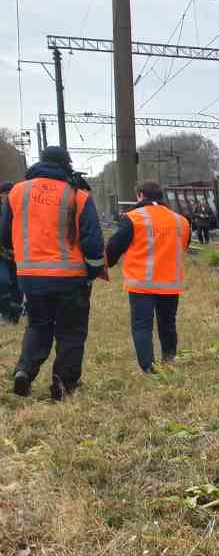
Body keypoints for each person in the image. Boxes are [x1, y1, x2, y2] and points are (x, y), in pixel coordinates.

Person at [0, 147, 106, 399]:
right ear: (67, 164)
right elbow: (92, 240)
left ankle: (24, 371)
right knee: (71, 331)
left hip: (31, 277)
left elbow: (4, 235)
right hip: (70, 278)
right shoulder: (77, 195)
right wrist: (93, 270)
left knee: (38, 325)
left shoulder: (17, 192)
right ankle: (62, 386)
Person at [105, 180, 192, 373]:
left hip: (141, 284)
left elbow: (113, 247)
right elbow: (184, 247)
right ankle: (169, 360)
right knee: (168, 323)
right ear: (161, 197)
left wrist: (108, 263)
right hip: (170, 283)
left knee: (142, 326)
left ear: (140, 195)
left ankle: (148, 366)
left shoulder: (132, 218)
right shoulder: (180, 220)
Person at [0, 183, 22, 324]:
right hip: (2, 254)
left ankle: (14, 315)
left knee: (18, 285)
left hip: (17, 253)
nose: (8, 195)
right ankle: (4, 312)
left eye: (10, 192)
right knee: (3, 281)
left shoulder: (20, 210)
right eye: (6, 192)